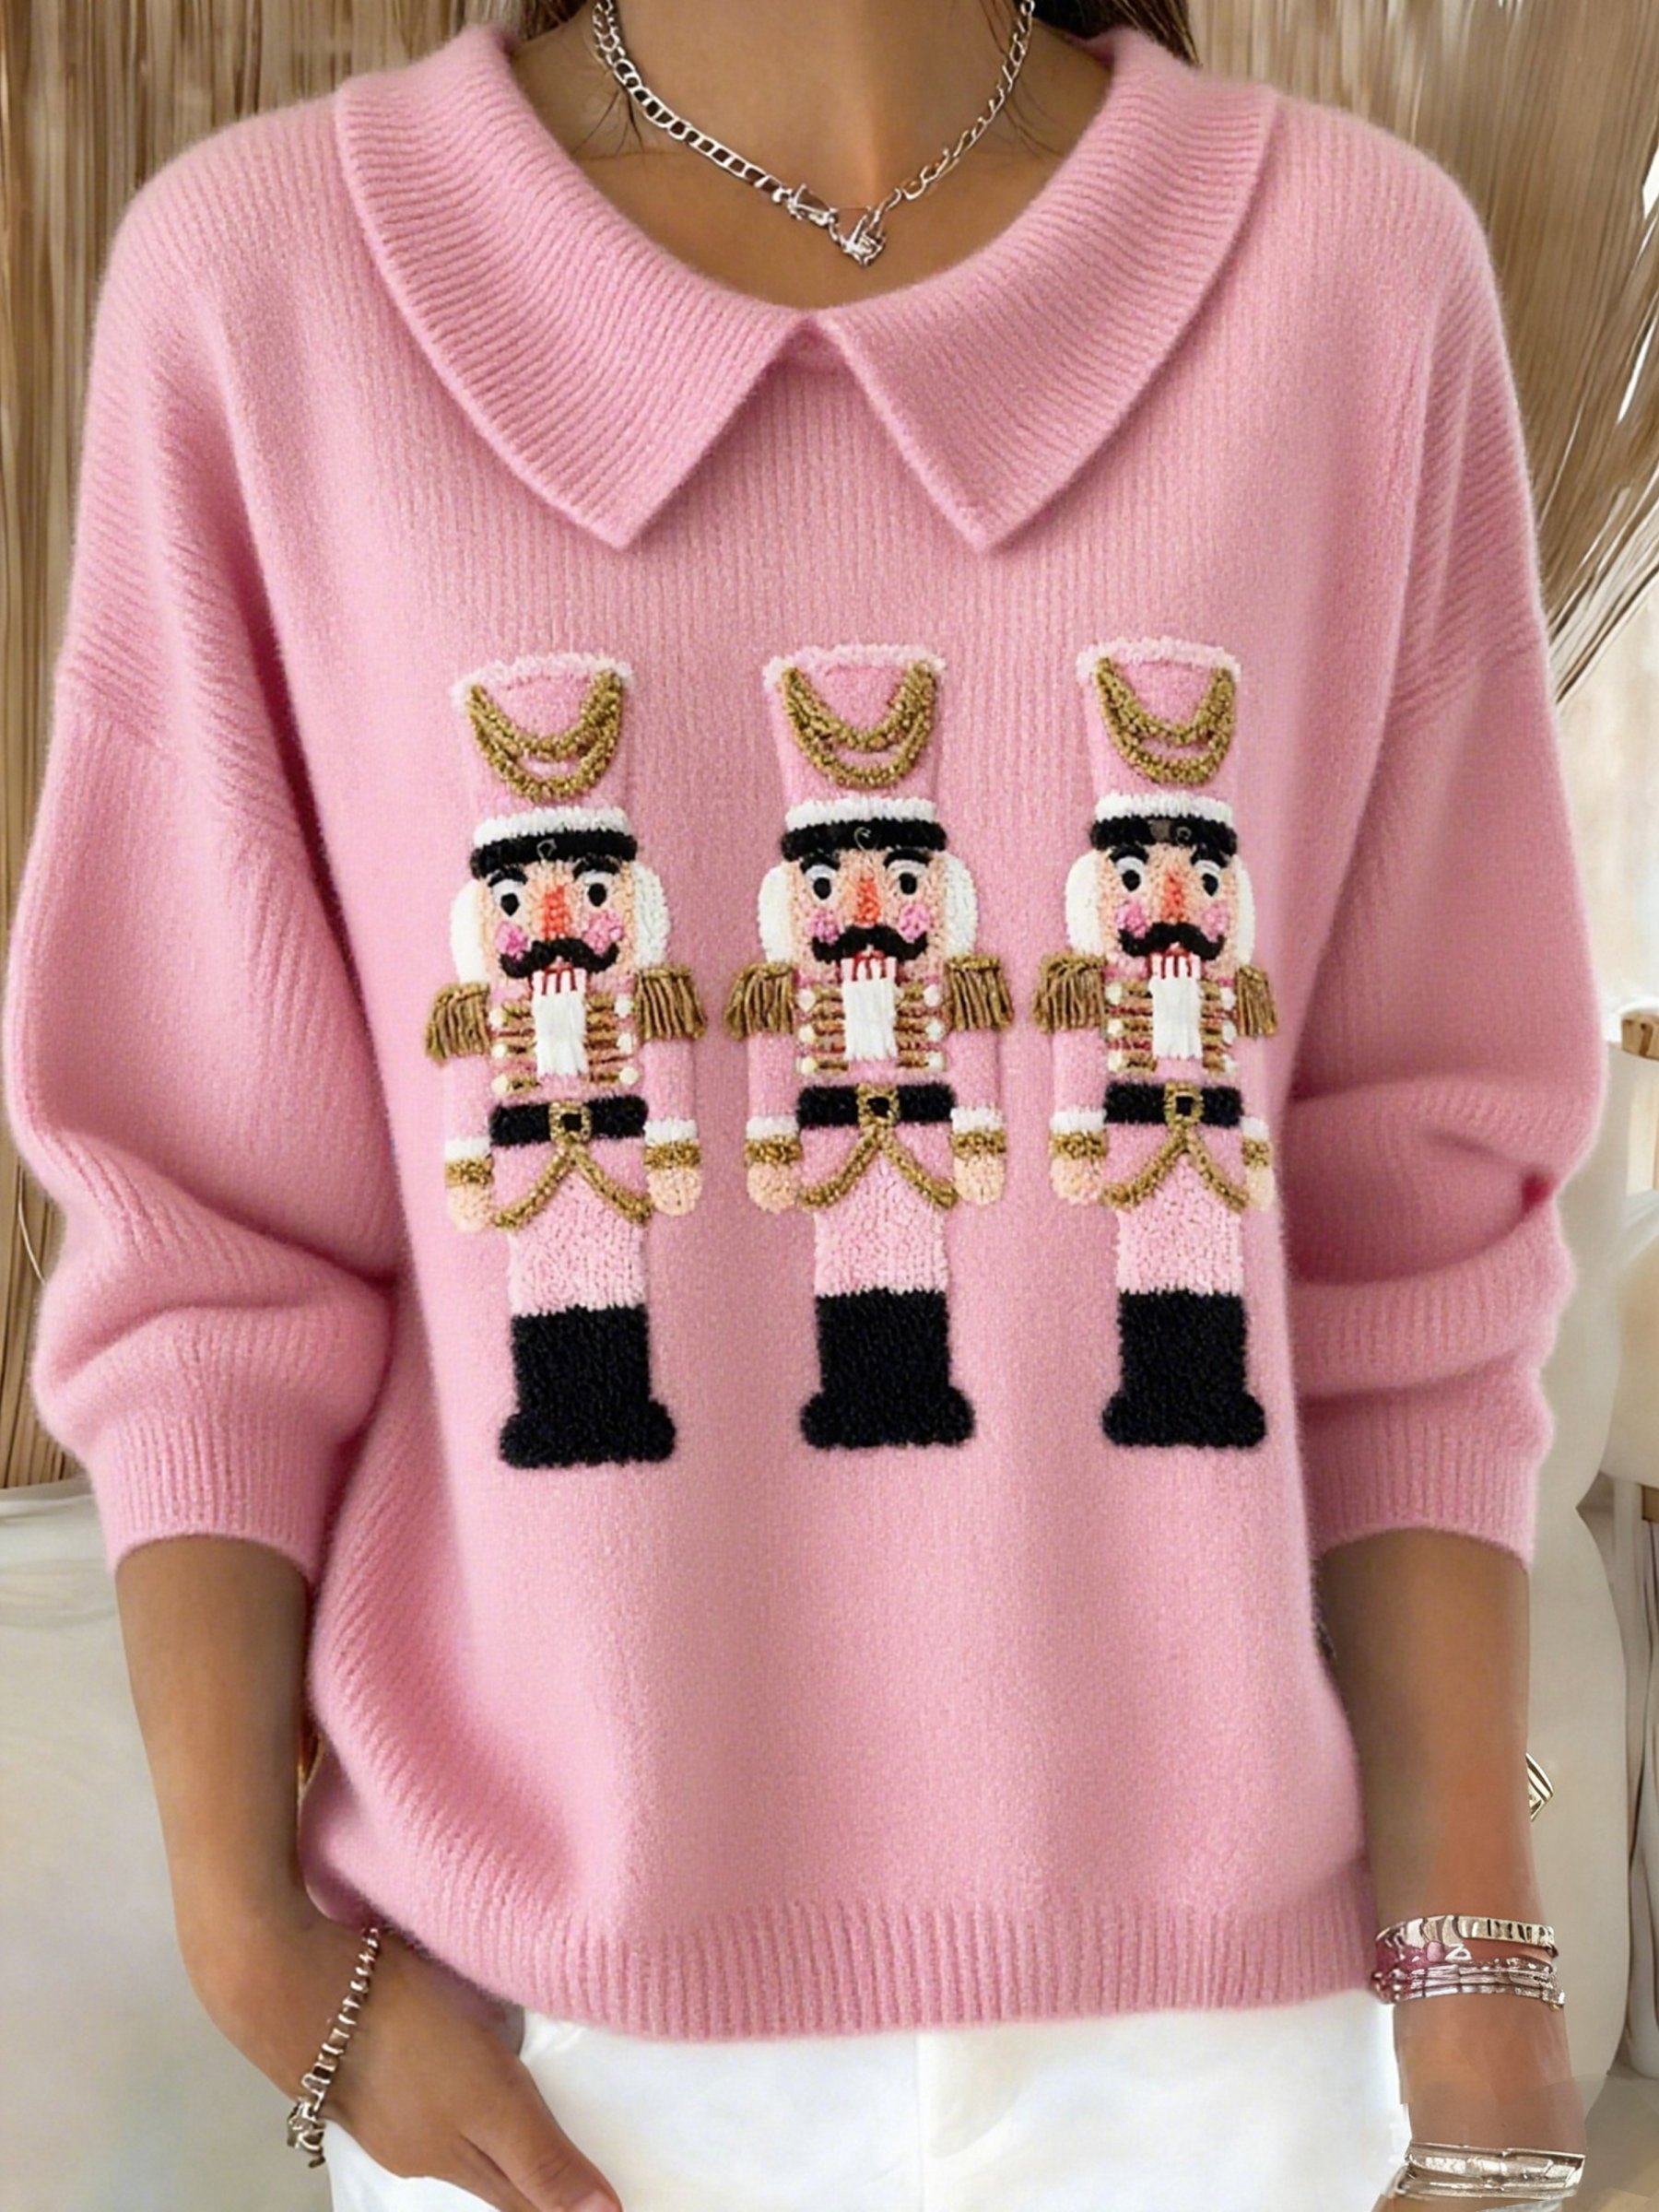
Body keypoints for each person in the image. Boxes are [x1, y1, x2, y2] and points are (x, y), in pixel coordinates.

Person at [0, 1, 1608, 2207]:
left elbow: (1408, 1221)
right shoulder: (269, 289)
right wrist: (253, 1938)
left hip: (1223, 2062)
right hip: (556, 2064)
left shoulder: (1348, 277)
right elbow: (205, 1237)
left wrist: (1486, 2015)